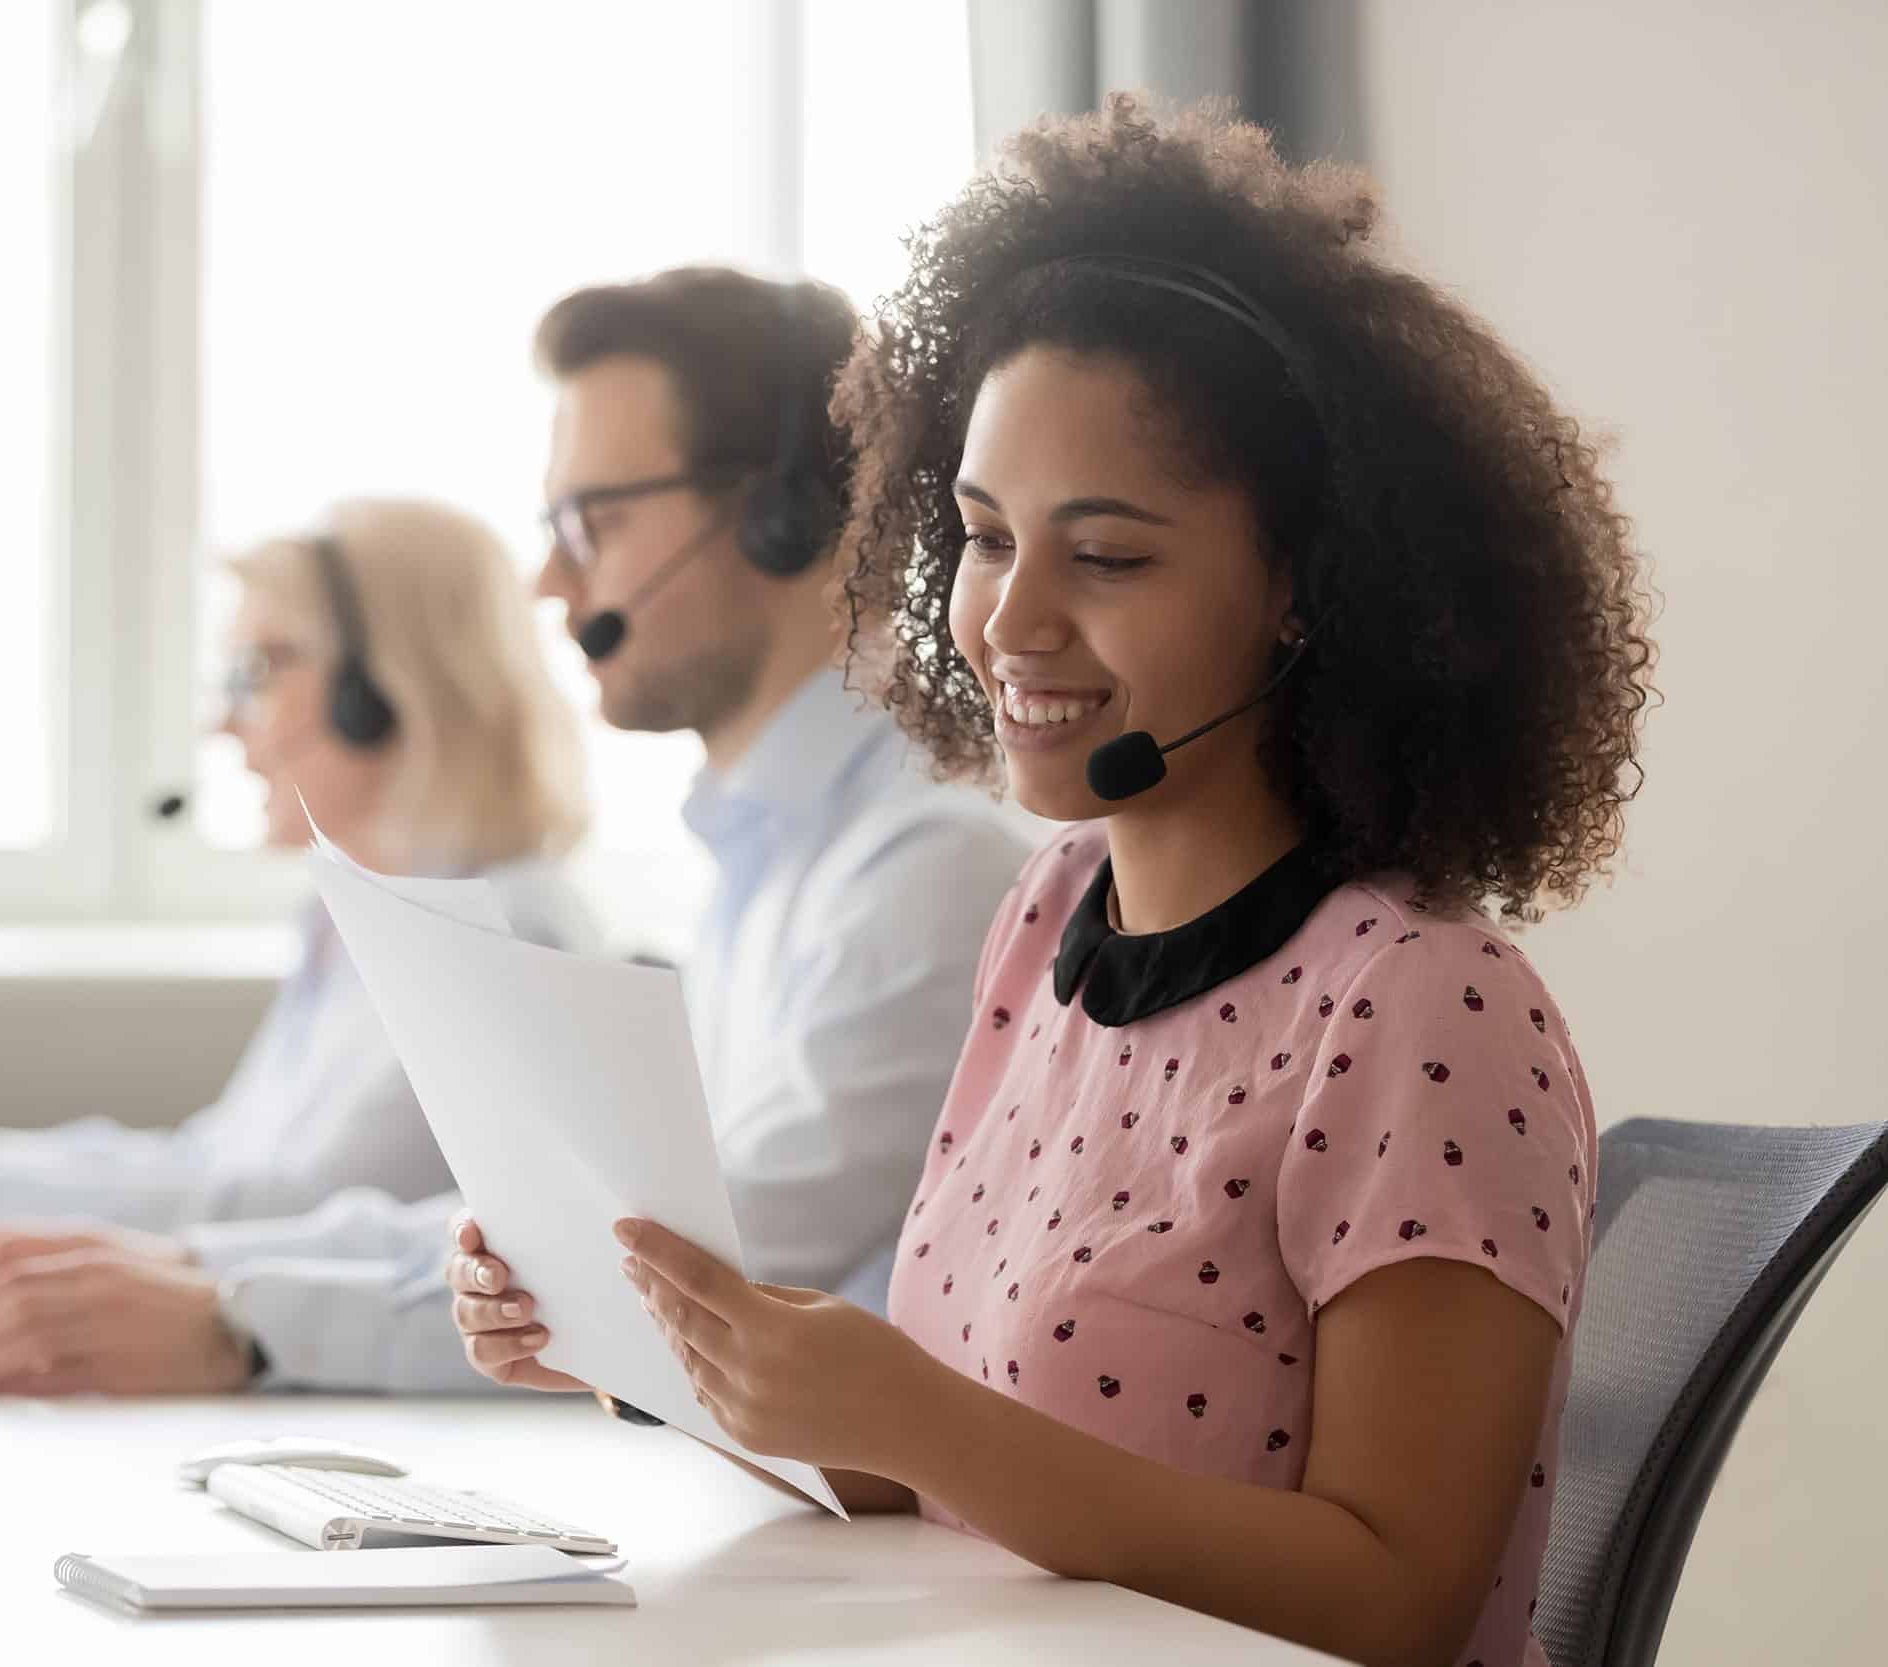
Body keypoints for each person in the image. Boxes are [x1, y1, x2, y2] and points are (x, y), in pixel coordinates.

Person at [451, 98, 1655, 1667]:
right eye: (981, 535)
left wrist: (919, 1415)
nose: (1008, 621)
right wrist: (648, 1350)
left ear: (1305, 589)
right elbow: (955, 1479)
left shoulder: (1424, 1002)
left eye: (1109, 556)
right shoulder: (1044, 923)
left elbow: (1398, 1596)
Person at [0, 265, 1028, 1398]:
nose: (548, 577)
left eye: (596, 521)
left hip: (865, 1539)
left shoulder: (923, 867)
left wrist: (251, 1318)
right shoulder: (758, 868)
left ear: (782, 520)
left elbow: (704, 1271)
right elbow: (563, 1228)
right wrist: (210, 1273)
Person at [0, 496, 596, 1393]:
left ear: (382, 689)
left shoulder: (503, 938)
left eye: (259, 670)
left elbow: (282, 1206)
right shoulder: (355, 923)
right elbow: (209, 1164)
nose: (226, 725)